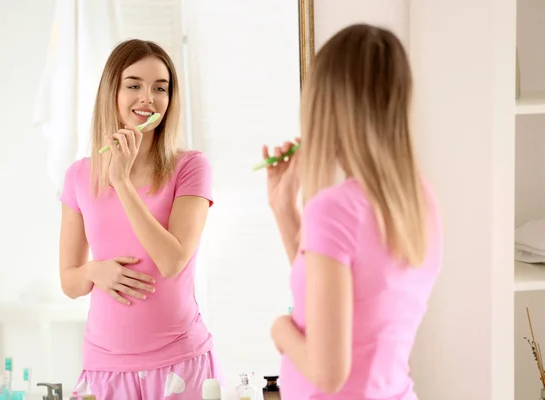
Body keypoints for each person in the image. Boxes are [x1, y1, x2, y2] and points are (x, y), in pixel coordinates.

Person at [264, 24, 443, 399]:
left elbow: (328, 374)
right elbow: (339, 297)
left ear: (325, 105)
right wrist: (284, 211)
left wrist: (280, 329)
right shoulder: (418, 199)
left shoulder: (333, 210)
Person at [58, 39, 220, 399]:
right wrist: (92, 271)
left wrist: (121, 182)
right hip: (103, 368)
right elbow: (69, 282)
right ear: (112, 93)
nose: (147, 97)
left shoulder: (190, 167)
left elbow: (172, 260)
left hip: (180, 362)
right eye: (134, 85)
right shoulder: (77, 176)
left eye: (160, 88)